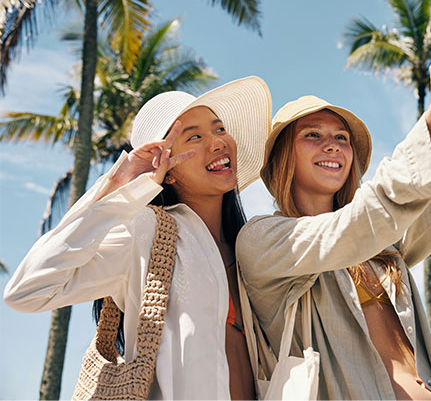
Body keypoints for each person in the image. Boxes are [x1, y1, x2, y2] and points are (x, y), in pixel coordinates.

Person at [236, 14, 431, 399]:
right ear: (283, 158)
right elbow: (356, 226)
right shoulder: (263, 242)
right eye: (312, 135)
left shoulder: (384, 249)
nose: (332, 145)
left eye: (342, 138)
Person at [4, 76, 272, 400]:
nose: (217, 143)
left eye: (218, 129)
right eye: (194, 137)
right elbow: (27, 290)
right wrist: (121, 182)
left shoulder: (249, 246)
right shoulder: (144, 233)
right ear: (167, 169)